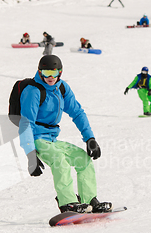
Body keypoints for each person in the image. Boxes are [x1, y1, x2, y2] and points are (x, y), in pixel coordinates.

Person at [17, 55, 112, 213]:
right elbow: (26, 123)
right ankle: (67, 203)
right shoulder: (33, 91)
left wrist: (90, 138)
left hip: (53, 140)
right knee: (59, 160)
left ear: (60, 72)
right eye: (46, 73)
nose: (50, 77)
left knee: (83, 159)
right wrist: (30, 153)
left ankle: (89, 200)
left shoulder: (61, 88)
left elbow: (77, 112)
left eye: (54, 73)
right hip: (37, 139)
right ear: (40, 72)